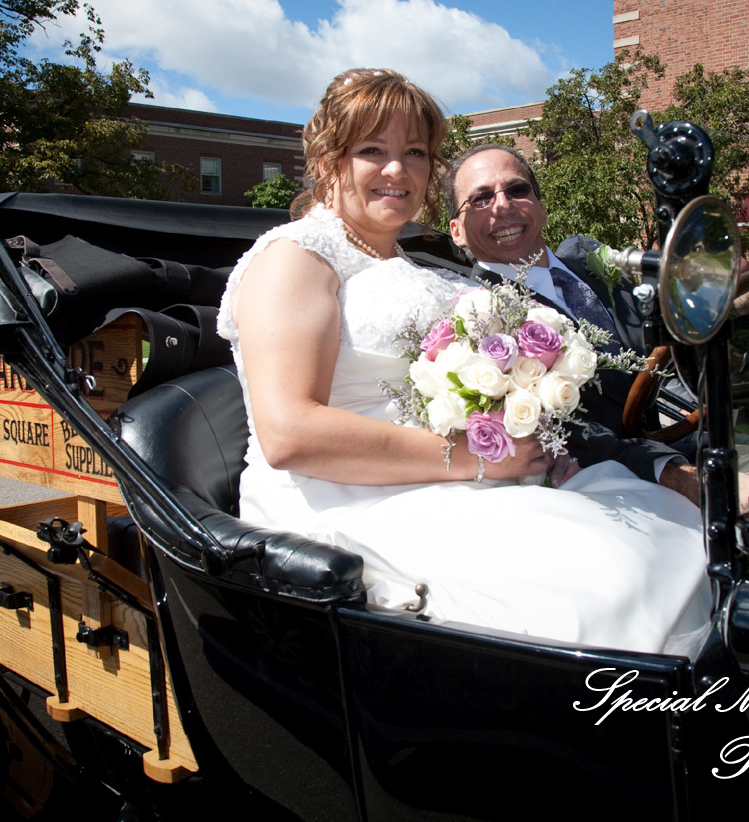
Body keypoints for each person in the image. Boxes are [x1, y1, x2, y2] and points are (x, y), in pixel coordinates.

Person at [217, 69, 712, 654]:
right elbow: (289, 433)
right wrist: (478, 459)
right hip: (340, 494)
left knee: (673, 530)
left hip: (431, 474)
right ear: (329, 161)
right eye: (373, 150)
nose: (398, 170)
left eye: (416, 152)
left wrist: (518, 436)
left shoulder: (403, 263)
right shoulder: (295, 257)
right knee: (617, 577)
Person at [444, 144, 749, 506]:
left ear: (541, 206)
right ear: (457, 230)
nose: (503, 205)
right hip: (618, 479)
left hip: (699, 433)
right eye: (480, 199)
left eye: (517, 189)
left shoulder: (587, 259)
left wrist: (743, 305)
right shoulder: (479, 320)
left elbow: (668, 328)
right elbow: (567, 437)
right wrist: (684, 479)